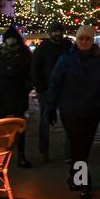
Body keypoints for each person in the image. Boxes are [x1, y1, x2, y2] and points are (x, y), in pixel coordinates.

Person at [50, 24, 100, 199]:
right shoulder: (66, 59)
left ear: (92, 40)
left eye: (87, 39)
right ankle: (84, 182)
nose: (84, 42)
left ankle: (74, 177)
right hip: (70, 110)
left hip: (91, 110)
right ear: (76, 40)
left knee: (81, 147)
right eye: (81, 38)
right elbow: (55, 83)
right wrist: (51, 106)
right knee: (79, 146)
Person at [0, 25, 35, 167]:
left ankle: (21, 155)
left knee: (20, 127)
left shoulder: (25, 53)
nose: (11, 40)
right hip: (1, 94)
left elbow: (30, 73)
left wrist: (27, 86)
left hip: (18, 94)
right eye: (9, 38)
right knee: (0, 128)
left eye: (13, 38)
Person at [31, 23, 72, 163]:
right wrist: (41, 87)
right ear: (50, 33)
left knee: (68, 120)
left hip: (65, 88)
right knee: (45, 120)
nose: (57, 34)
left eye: (59, 31)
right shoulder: (42, 48)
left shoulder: (68, 46)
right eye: (54, 31)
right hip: (47, 89)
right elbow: (35, 68)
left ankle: (68, 152)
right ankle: (44, 151)